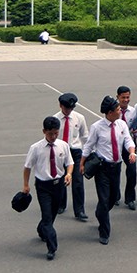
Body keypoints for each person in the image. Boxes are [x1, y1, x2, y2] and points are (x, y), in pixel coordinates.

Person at [80, 96, 136, 245]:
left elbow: (128, 140)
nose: (120, 111)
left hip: (116, 167)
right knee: (104, 200)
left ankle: (100, 213)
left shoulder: (122, 124)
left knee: (113, 197)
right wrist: (82, 163)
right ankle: (104, 231)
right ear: (110, 112)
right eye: (118, 109)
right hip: (102, 168)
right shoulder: (97, 127)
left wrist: (132, 151)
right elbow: (88, 145)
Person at [22, 116, 74, 261]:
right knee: (47, 215)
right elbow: (27, 167)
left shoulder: (63, 145)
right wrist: (26, 185)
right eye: (50, 133)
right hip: (43, 186)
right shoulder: (36, 148)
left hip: (58, 185)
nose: (53, 136)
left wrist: (69, 174)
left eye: (56, 133)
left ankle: (42, 229)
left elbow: (69, 163)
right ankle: (52, 247)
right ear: (44, 131)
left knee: (51, 215)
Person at [54, 92, 89, 221]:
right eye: (66, 108)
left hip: (75, 152)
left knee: (78, 181)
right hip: (61, 151)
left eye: (71, 108)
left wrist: (87, 153)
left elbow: (85, 136)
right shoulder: (55, 119)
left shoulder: (79, 118)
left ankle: (79, 210)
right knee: (61, 178)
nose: (68, 111)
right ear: (60, 106)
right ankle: (61, 204)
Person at [117, 86, 137, 210]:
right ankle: (115, 196)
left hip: (130, 145)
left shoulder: (133, 111)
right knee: (115, 172)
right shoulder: (113, 110)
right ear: (118, 97)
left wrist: (136, 130)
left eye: (127, 97)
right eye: (123, 97)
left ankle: (130, 198)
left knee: (132, 172)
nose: (125, 100)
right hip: (116, 145)